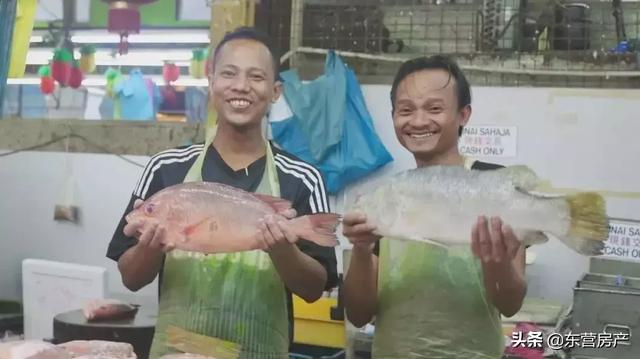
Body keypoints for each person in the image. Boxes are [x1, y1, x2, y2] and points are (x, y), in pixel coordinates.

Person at [106, 27, 338, 359]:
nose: (241, 86)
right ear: (211, 81)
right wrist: (151, 248)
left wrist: (283, 250)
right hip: (179, 353)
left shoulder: (303, 178)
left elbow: (316, 288)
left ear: (275, 91)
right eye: (229, 74)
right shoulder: (166, 168)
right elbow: (130, 277)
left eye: (256, 77)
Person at [342, 55, 527, 358]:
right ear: (393, 117)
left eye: (434, 108)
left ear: (464, 114)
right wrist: (361, 251)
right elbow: (360, 315)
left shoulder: (495, 185)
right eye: (405, 110)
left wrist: (497, 259)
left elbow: (510, 304)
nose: (418, 121)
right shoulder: (387, 198)